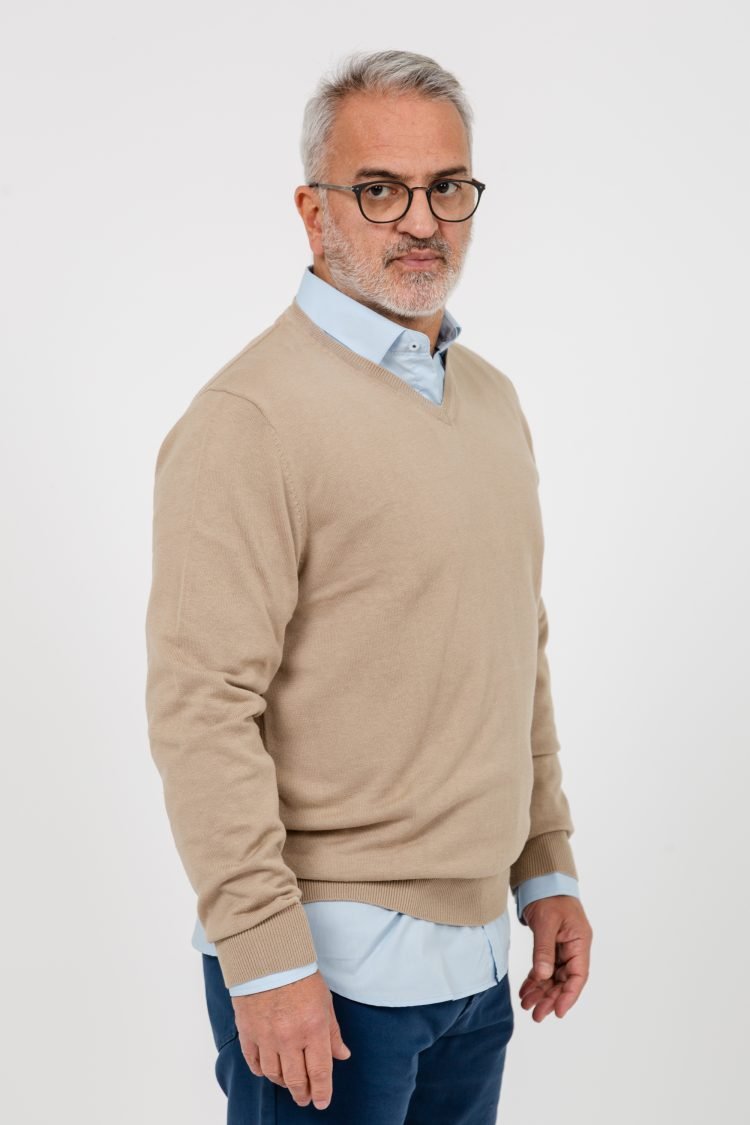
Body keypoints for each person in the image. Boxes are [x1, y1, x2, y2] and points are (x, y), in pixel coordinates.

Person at [145, 47, 594, 1123]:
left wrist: (545, 865)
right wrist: (264, 956)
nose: (422, 221)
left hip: (477, 963)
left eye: (448, 187)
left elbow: (514, 645)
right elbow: (201, 707)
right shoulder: (249, 419)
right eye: (380, 189)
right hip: (326, 969)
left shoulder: (491, 400)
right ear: (315, 212)